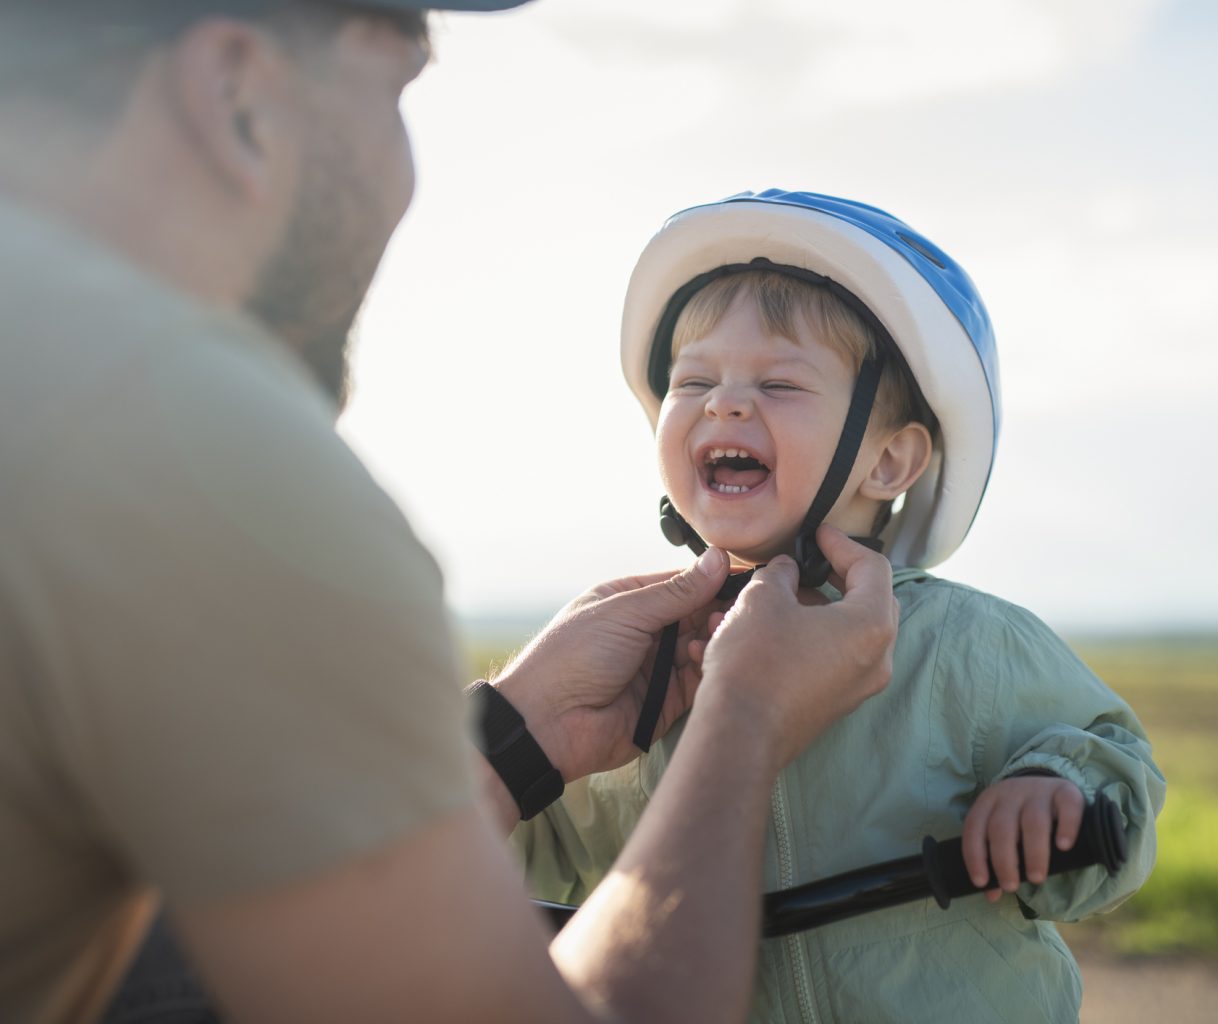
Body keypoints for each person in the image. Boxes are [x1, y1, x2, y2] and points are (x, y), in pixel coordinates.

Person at [0, 6, 901, 1024]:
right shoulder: (184, 440)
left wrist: (520, 735)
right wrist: (744, 720)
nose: (409, 175)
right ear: (238, 97)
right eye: (398, 93)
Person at [513, 190, 1168, 1023]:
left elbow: (1115, 761)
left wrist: (1056, 787)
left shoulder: (964, 644)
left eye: (780, 382)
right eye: (695, 379)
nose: (726, 403)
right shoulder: (637, 665)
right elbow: (505, 858)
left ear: (891, 461)